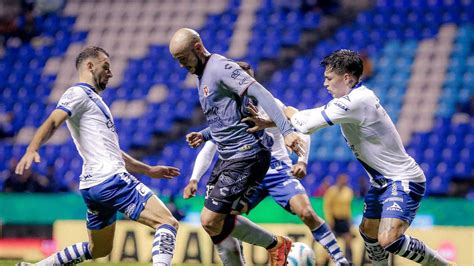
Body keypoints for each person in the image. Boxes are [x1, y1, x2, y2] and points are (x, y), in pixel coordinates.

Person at [282, 49, 454, 266]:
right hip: (381, 183)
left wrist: (284, 110)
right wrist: (276, 120)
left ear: (346, 78)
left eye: (329, 78)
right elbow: (307, 117)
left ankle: (444, 264)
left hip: (403, 179)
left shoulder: (357, 101)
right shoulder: (349, 102)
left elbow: (305, 124)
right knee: (368, 233)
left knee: (388, 239)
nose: (325, 84)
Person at [15, 46, 180, 266]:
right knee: (167, 222)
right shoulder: (78, 93)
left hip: (93, 187)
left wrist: (148, 170)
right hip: (110, 179)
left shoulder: (93, 100)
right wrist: (32, 148)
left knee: (99, 249)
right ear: (89, 66)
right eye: (106, 66)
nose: (110, 73)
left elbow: (113, 151)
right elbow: (54, 120)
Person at [183, 61, 349, 265]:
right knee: (222, 219)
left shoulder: (269, 103)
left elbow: (299, 123)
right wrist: (194, 178)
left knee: (306, 212)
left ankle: (341, 260)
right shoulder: (226, 111)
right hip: (247, 171)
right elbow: (210, 147)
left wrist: (302, 161)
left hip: (277, 168)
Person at [169, 28, 305, 266]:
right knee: (218, 224)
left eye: (183, 59)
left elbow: (261, 92)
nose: (181, 66)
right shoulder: (201, 74)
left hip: (246, 154)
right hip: (227, 156)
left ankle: (277, 245)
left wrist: (287, 130)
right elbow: (228, 119)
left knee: (210, 220)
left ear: (198, 48)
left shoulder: (221, 67)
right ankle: (275, 247)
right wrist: (204, 135)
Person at [323, 173, 354, 262]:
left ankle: (349, 261)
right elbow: (327, 207)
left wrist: (349, 220)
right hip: (334, 220)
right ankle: (326, 261)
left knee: (348, 241)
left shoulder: (348, 191)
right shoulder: (331, 191)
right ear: (338, 180)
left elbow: (348, 207)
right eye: (342, 179)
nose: (344, 181)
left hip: (344, 220)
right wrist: (330, 220)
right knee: (331, 243)